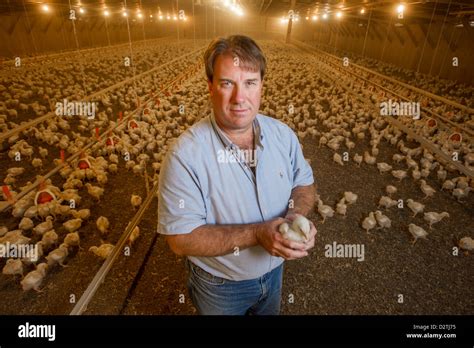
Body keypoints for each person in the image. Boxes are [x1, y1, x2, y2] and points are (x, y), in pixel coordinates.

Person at [158, 35, 317, 315]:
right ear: (210, 86)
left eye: (250, 83)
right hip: (221, 287)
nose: (239, 97)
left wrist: (295, 215)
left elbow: (303, 185)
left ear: (261, 86)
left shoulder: (283, 135)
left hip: (275, 274)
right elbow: (180, 239)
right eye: (227, 83)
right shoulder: (185, 155)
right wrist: (258, 234)